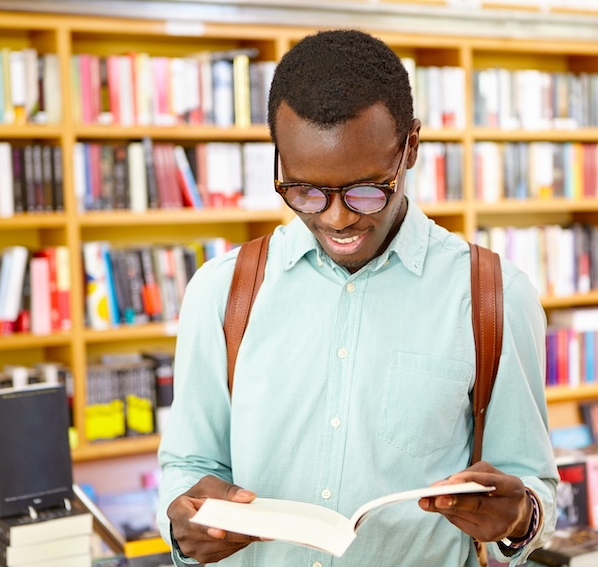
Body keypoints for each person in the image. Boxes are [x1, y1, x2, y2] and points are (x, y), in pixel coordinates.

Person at [156, 28, 558, 566]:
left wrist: (518, 517)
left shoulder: (492, 297)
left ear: (410, 147)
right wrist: (182, 525)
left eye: (366, 190)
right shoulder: (220, 291)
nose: (337, 217)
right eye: (304, 190)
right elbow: (187, 464)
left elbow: (531, 484)